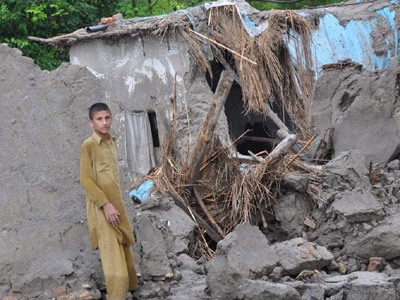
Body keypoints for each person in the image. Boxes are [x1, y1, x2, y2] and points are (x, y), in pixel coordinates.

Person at [80, 102, 138, 300]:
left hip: (116, 205)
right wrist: (105, 205)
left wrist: (114, 204)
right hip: (102, 208)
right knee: (112, 255)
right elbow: (86, 180)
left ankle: (129, 290)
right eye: (99, 119)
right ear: (91, 123)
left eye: (107, 118)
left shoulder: (112, 142)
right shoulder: (88, 146)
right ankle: (116, 296)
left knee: (123, 247)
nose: (104, 123)